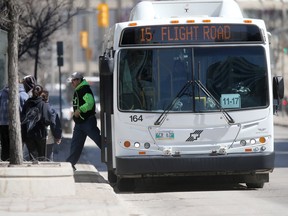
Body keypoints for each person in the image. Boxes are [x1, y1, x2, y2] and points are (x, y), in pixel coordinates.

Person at [66, 72, 101, 171]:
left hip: (87, 122)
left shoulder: (85, 89)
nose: (72, 83)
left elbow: (90, 103)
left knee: (99, 140)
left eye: (73, 81)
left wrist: (80, 110)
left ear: (78, 80)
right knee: (75, 144)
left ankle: (111, 156)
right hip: (79, 122)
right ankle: (70, 164)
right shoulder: (79, 89)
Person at [0, 75, 36, 161]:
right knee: (17, 146)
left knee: (5, 147)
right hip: (17, 125)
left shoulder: (1, 93)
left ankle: (5, 164)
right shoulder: (24, 95)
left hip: (2, 124)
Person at [21, 84, 56, 161]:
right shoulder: (43, 104)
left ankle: (33, 171)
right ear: (41, 93)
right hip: (41, 134)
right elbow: (46, 120)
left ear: (32, 92)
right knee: (41, 157)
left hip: (29, 135)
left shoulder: (27, 103)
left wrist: (23, 136)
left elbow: (22, 120)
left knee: (32, 157)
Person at [40, 90, 62, 160]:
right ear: (48, 97)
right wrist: (57, 136)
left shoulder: (36, 106)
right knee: (48, 155)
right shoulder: (50, 108)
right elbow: (54, 123)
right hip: (47, 135)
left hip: (36, 135)